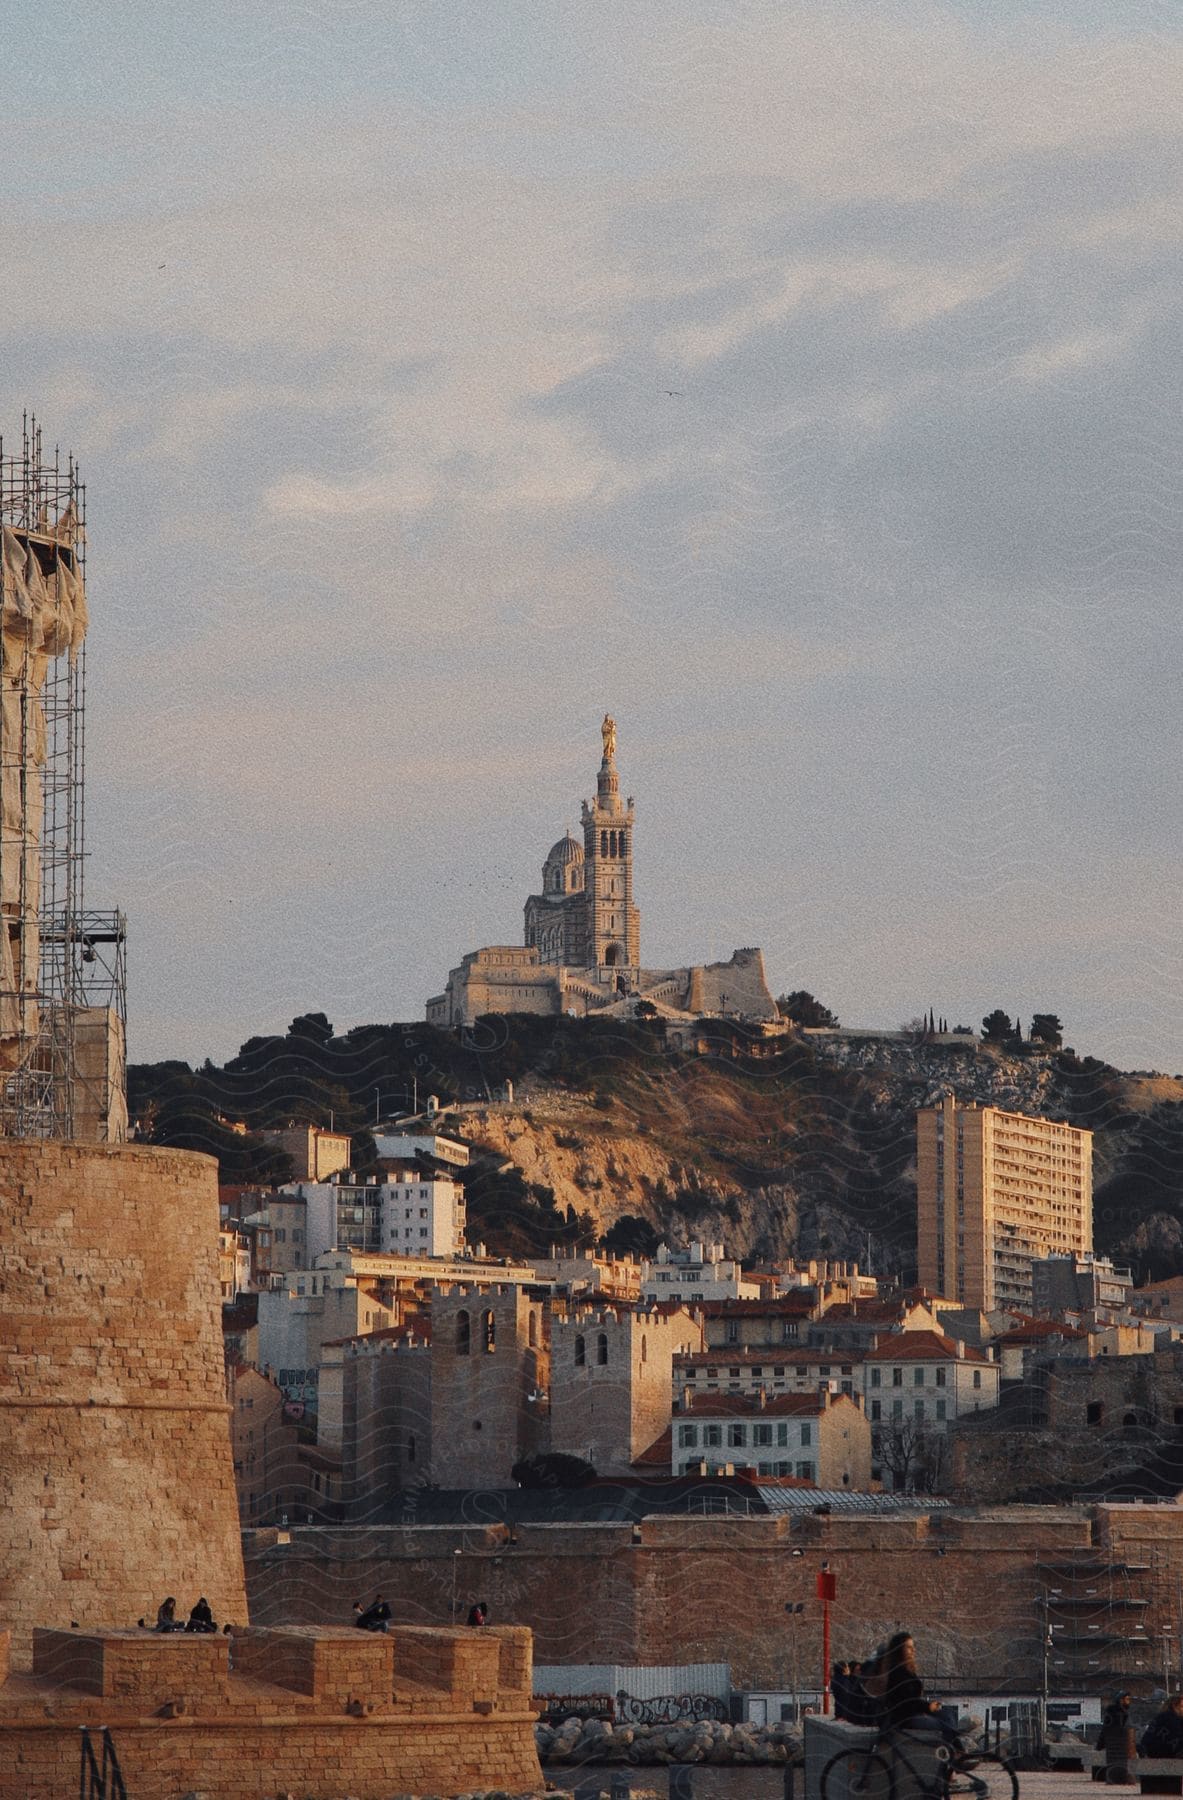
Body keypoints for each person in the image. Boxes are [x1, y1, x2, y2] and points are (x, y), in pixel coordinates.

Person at [1100, 1692, 1136, 1785]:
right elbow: (1112, 1726)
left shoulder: (1124, 1711)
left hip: (1121, 1743)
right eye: (1127, 1699)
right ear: (1121, 1700)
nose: (1129, 1702)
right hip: (1116, 1743)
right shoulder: (1115, 1711)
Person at [1139, 1696, 1183, 1760]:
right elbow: (1177, 1738)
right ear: (1174, 1706)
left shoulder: (1162, 1716)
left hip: (1152, 1752)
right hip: (1162, 1754)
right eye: (1182, 1706)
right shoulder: (1170, 1718)